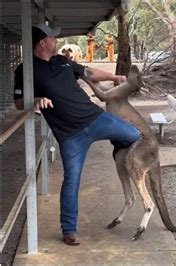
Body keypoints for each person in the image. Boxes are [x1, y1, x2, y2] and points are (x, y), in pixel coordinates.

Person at [13, 24, 140, 246]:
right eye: (53, 38)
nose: (56, 41)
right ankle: (69, 230)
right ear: (43, 42)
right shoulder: (25, 70)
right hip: (70, 136)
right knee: (71, 180)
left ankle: (118, 151)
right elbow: (17, 103)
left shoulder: (62, 61)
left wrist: (115, 76)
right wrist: (34, 101)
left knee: (133, 135)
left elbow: (89, 72)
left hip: (95, 119)